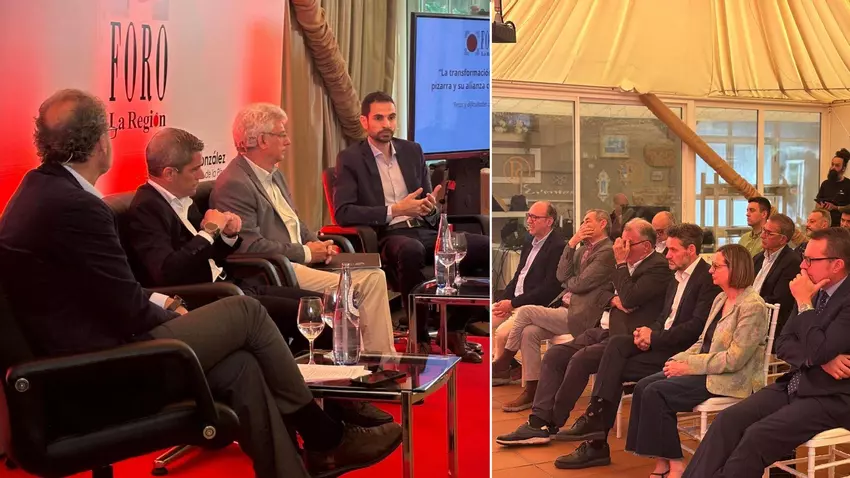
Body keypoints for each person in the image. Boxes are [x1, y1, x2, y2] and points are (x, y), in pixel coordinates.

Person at [0, 89, 402, 478]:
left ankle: (307, 461)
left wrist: (165, 303)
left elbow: (106, 292)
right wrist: (176, 312)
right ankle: (325, 436)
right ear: (100, 143)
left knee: (242, 367)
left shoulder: (37, 191)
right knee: (246, 311)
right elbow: (128, 308)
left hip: (79, 357)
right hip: (99, 371)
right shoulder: (79, 207)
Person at [123, 127, 330, 354]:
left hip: (233, 286)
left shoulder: (183, 198)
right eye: (195, 169)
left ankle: (304, 364)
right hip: (207, 298)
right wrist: (210, 231)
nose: (201, 175)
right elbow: (166, 272)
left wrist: (228, 236)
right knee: (312, 316)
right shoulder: (147, 209)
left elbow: (208, 256)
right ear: (169, 173)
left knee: (324, 306)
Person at [210, 103, 396, 355]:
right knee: (360, 286)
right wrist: (307, 252)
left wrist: (317, 243)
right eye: (282, 134)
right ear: (262, 140)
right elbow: (250, 246)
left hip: (299, 259)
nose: (288, 141)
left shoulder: (274, 174)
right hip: (277, 268)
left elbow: (295, 221)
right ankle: (370, 359)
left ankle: (380, 358)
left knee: (375, 276)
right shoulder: (235, 183)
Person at [333, 91, 490, 362]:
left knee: (483, 247)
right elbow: (343, 212)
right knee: (411, 250)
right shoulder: (351, 158)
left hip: (424, 229)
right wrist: (395, 210)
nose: (387, 124)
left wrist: (430, 206)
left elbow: (427, 202)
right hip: (388, 233)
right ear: (364, 121)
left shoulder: (412, 150)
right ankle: (419, 337)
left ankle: (454, 328)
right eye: (379, 118)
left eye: (391, 117)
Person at [683, 227, 850, 478]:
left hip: (832, 396)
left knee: (756, 437)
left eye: (810, 260)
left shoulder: (829, 297)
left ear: (837, 264)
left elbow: (817, 350)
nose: (802, 266)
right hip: (797, 383)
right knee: (728, 421)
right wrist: (821, 360)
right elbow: (783, 343)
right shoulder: (815, 290)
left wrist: (804, 304)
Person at [552, 223, 721, 470]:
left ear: (691, 250)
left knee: (613, 366)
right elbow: (665, 316)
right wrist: (647, 332)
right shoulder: (677, 276)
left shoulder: (706, 279)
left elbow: (694, 329)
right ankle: (594, 424)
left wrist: (655, 337)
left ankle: (595, 435)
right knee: (617, 346)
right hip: (660, 341)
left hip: (680, 352)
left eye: (673, 250)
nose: (667, 255)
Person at [495, 218, 672, 444]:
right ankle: (538, 419)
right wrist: (612, 298)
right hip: (605, 329)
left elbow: (629, 298)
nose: (622, 247)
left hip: (628, 339)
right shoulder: (624, 262)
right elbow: (600, 293)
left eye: (629, 243)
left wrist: (619, 267)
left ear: (646, 246)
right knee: (555, 354)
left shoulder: (657, 267)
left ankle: (550, 422)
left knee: (579, 359)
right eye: (622, 241)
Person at [626, 244, 768, 478]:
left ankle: (676, 464)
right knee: (643, 386)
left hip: (731, 378)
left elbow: (734, 359)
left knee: (657, 392)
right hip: (706, 368)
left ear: (735, 269)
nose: (710, 270)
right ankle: (662, 462)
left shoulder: (753, 306)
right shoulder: (721, 298)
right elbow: (702, 342)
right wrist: (677, 360)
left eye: (716, 266)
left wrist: (688, 367)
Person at [491, 209, 615, 411]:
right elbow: (561, 276)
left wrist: (569, 281)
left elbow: (580, 284)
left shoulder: (607, 252)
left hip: (581, 315)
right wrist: (572, 243)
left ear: (602, 224)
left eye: (588, 221)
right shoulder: (582, 250)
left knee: (525, 312)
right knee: (529, 332)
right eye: (583, 221)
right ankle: (532, 390)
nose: (583, 225)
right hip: (563, 308)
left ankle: (503, 362)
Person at [492, 201, 566, 382]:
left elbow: (548, 289)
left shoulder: (557, 247)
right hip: (516, 301)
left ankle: (501, 371)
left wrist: (513, 304)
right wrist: (504, 300)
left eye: (534, 217)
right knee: (491, 315)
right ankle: (512, 368)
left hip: (534, 305)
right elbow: (518, 276)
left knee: (502, 333)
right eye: (529, 216)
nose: (529, 221)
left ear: (549, 221)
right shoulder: (528, 241)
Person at [754, 213, 801, 337]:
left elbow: (779, 300)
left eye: (769, 233)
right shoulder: (758, 258)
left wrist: (749, 305)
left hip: (770, 322)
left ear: (783, 239)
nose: (762, 236)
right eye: (763, 230)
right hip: (751, 314)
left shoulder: (792, 262)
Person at [815, 148, 850, 227]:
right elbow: (817, 204)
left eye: (837, 165)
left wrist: (836, 208)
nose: (833, 168)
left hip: (842, 227)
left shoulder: (848, 184)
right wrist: (821, 207)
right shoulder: (825, 184)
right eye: (832, 164)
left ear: (843, 168)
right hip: (825, 226)